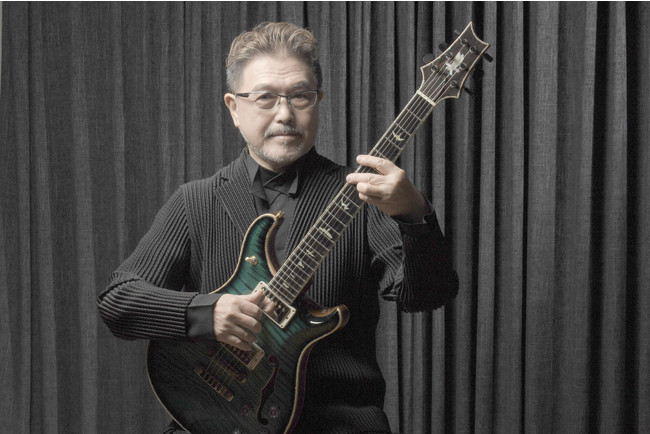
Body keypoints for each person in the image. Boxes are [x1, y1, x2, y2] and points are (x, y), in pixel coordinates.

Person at [97, 22, 458, 434]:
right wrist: (206, 312)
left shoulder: (362, 195)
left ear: (318, 101)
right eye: (265, 97)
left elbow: (425, 295)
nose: (285, 114)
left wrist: (413, 214)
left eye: (300, 96)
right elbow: (118, 302)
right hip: (209, 422)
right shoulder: (195, 201)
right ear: (234, 108)